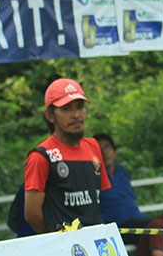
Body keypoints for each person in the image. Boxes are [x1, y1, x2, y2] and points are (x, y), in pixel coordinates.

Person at [24, 78, 109, 234]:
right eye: (66, 108)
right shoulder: (41, 156)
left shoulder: (93, 146)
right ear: (50, 116)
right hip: (63, 248)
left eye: (80, 107)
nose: (76, 115)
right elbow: (32, 215)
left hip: (95, 240)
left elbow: (99, 201)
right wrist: (55, 237)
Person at [92, 132, 148, 243]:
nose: (104, 152)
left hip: (137, 219)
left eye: (107, 147)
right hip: (118, 227)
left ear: (114, 152)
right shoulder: (92, 176)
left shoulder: (121, 171)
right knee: (158, 229)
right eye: (99, 149)